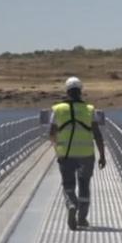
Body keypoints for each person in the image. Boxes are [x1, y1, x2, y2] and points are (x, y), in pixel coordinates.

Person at [49, 76, 107, 230]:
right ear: (80, 91)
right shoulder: (89, 109)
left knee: (68, 184)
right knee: (84, 185)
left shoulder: (58, 109)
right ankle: (82, 218)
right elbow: (97, 135)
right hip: (86, 155)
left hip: (66, 154)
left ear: (67, 91)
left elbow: (52, 133)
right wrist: (102, 155)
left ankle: (71, 205)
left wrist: (57, 149)